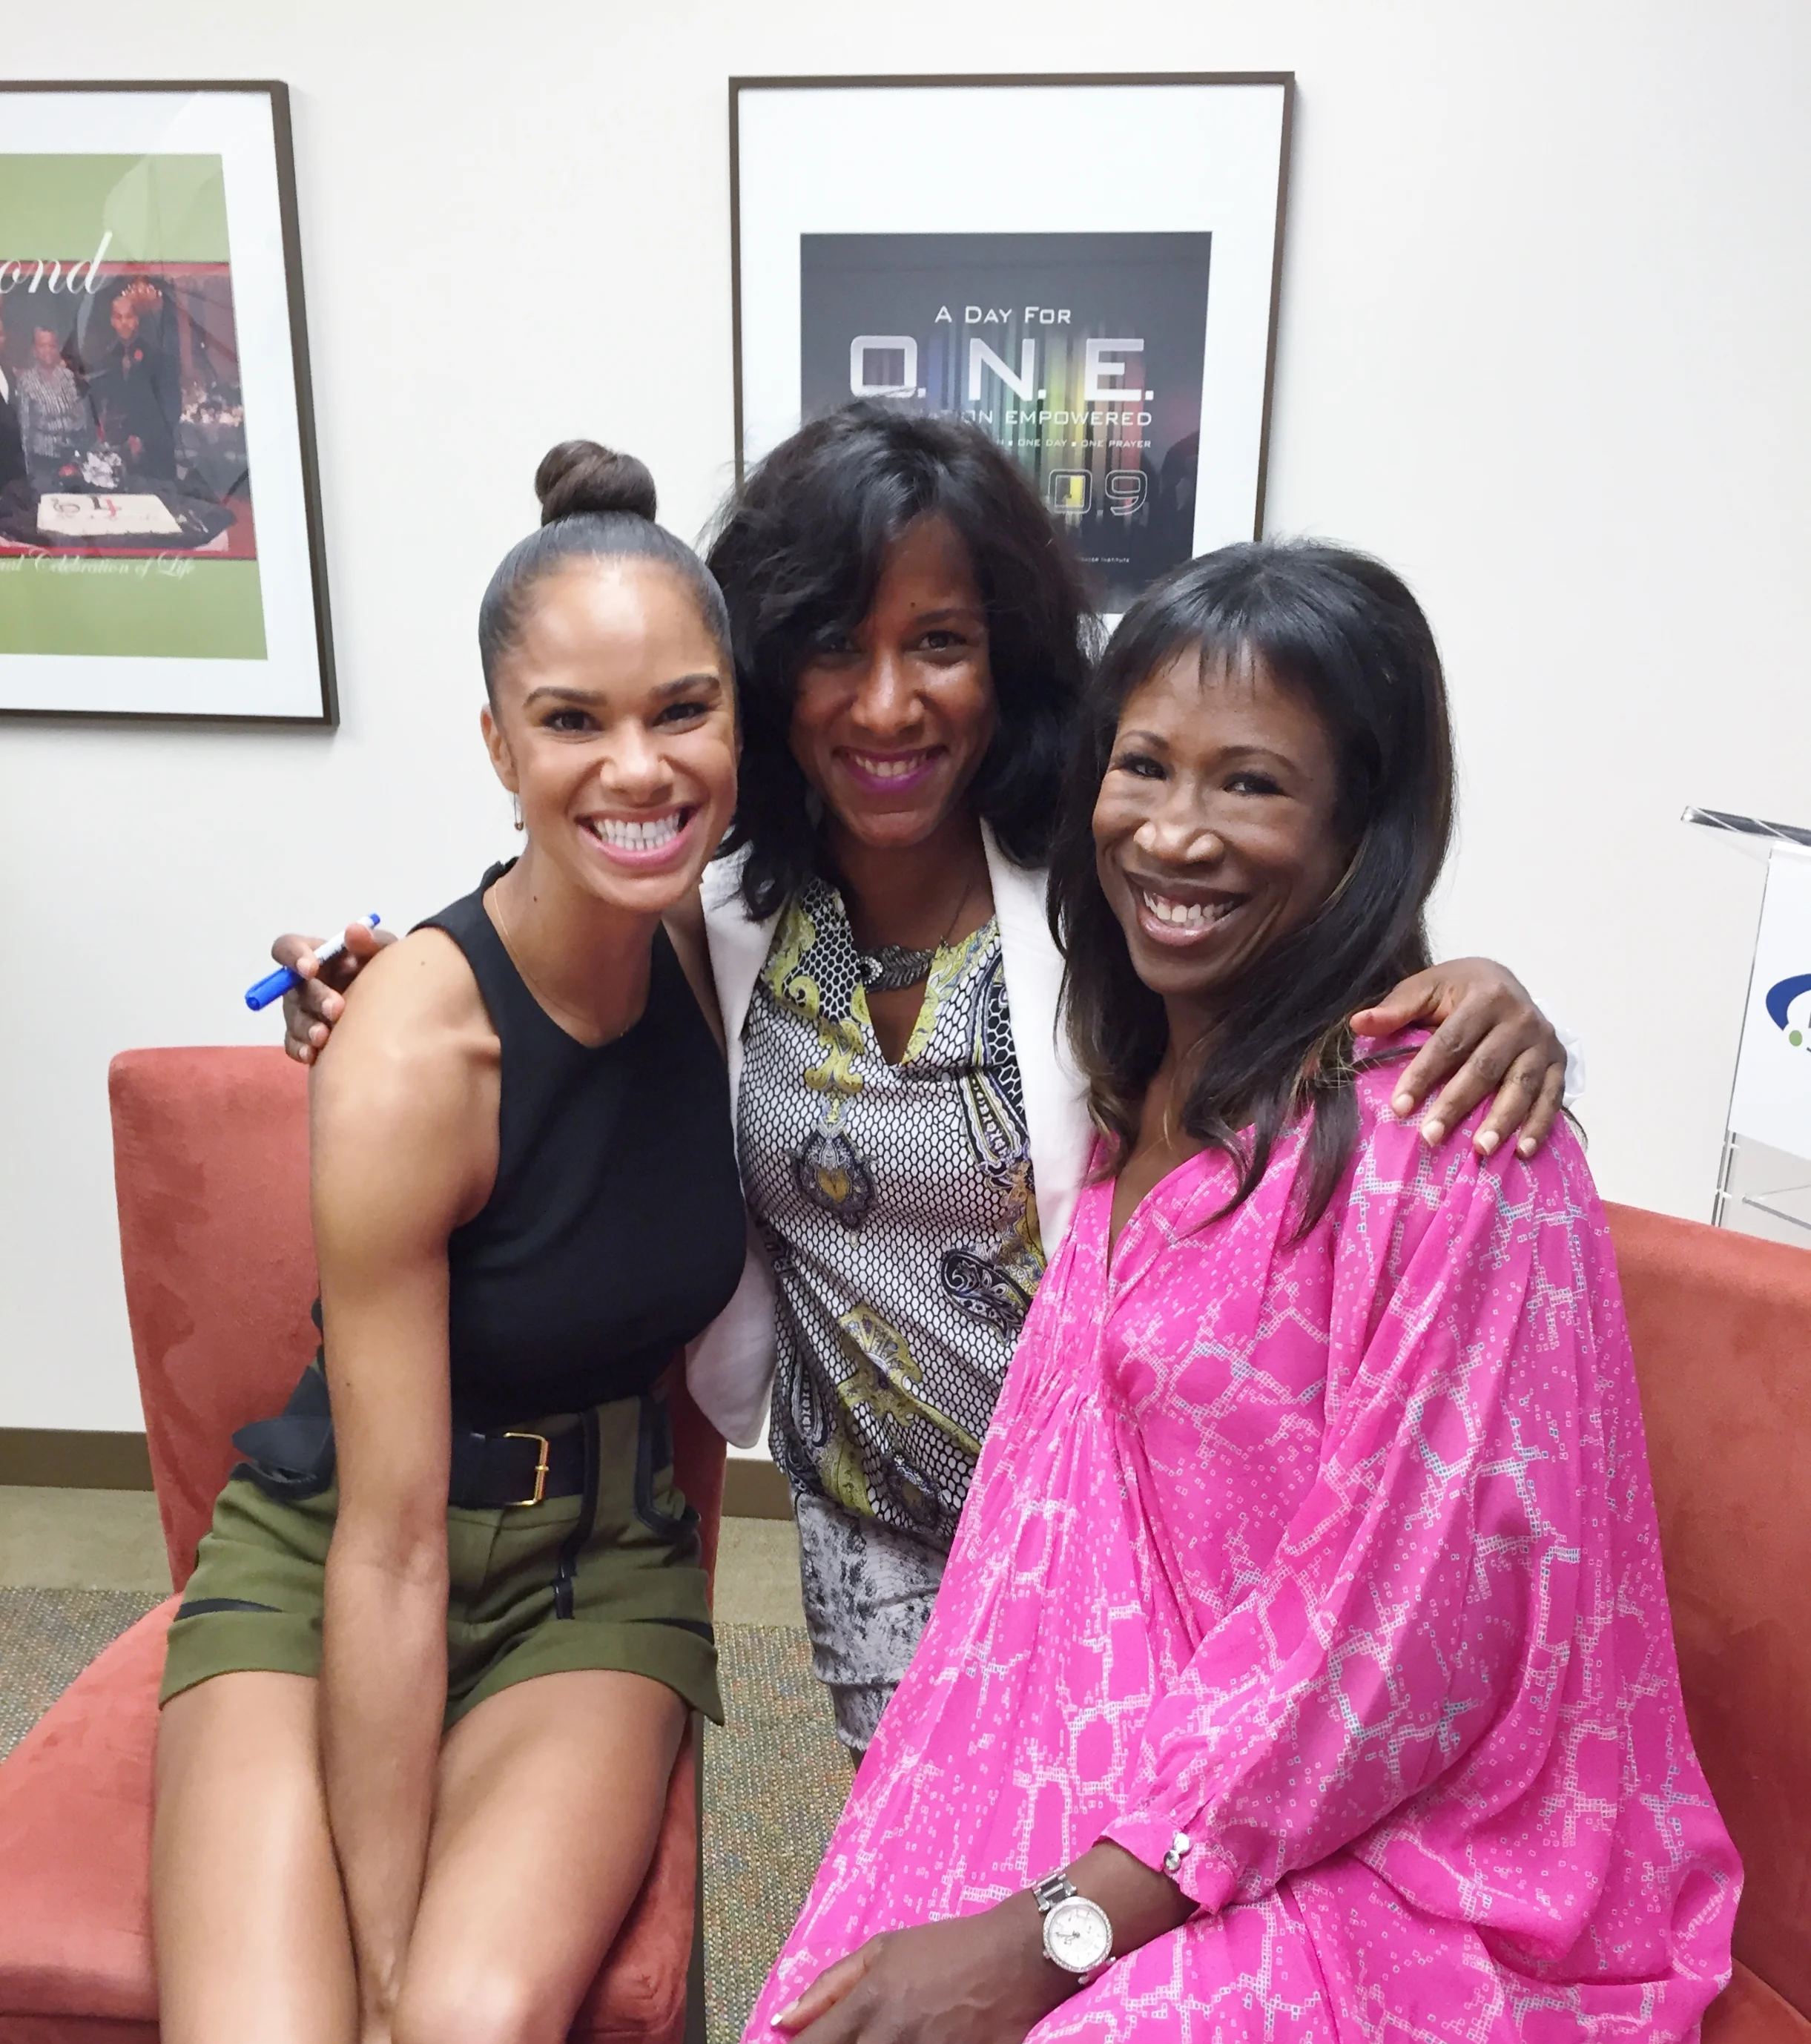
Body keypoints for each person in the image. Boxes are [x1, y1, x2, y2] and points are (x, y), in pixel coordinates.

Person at [618, 538, 1738, 2044]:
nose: (1176, 830)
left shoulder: (1450, 1150)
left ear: (1365, 819)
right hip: (1118, 1793)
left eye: (1251, 782)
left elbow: (1392, 1657)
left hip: (1382, 1873)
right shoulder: (1133, 1083)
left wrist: (1042, 1939)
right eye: (1145, 766)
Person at [275, 404, 1577, 1758]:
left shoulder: (1104, 888)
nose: (886, 701)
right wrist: (371, 990)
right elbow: (540, 936)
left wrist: (1480, 983)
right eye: (835, 644)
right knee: (921, 1922)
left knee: (1109, 1926)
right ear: (762, 672)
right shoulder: (718, 903)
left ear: (1006, 661)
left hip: (1117, 1534)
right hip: (871, 1530)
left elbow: (1294, 967)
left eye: (939, 643)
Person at [76, 441, 748, 2044]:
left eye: (683, 710)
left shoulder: (722, 938)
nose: (640, 769)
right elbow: (377, 1547)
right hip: (335, 1559)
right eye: (574, 722)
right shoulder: (410, 1045)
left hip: (601, 1567)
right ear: (493, 742)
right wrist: (361, 2003)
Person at [90, 287, 179, 484]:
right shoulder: (106, 359)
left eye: (129, 317)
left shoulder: (157, 357)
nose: (124, 323)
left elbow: (170, 407)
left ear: (136, 320)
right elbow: (104, 405)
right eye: (118, 317)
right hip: (119, 454)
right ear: (112, 321)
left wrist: (143, 438)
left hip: (155, 453)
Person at [14, 320, 93, 490]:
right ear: (35, 350)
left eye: (52, 345)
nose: (47, 350)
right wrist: (28, 472)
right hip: (42, 461)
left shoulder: (68, 377)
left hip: (71, 458)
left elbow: (80, 416)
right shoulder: (26, 382)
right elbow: (25, 430)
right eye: (42, 346)